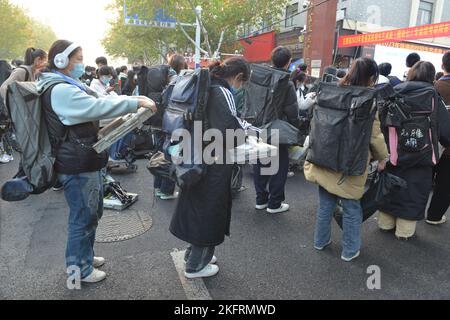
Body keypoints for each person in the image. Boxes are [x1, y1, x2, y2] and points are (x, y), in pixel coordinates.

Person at [38, 40, 156, 284]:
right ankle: (79, 271)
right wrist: (135, 103)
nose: (82, 63)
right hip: (77, 163)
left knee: (90, 213)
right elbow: (96, 107)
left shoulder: (64, 84)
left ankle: (85, 258)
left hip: (83, 159)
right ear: (61, 61)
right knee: (82, 218)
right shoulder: (60, 89)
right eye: (78, 59)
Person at [170, 57, 251, 279]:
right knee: (210, 209)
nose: (240, 87)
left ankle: (194, 254)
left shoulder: (205, 86)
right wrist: (245, 134)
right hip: (213, 160)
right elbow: (229, 130)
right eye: (241, 83)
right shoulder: (222, 92)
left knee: (197, 206)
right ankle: (196, 265)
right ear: (238, 77)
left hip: (195, 154)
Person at [304, 58, 388, 262]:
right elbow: (374, 137)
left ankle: (320, 241)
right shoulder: (367, 100)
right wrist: (383, 157)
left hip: (324, 156)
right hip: (350, 162)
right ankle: (349, 250)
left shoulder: (330, 91)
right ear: (371, 77)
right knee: (351, 208)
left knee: (325, 204)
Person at [378, 61, 450, 239]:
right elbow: (446, 131)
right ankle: (404, 230)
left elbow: (382, 122)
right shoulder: (432, 95)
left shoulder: (395, 90)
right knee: (414, 189)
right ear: (431, 76)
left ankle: (385, 222)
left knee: (391, 185)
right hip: (422, 156)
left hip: (394, 151)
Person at [253, 46, 299, 214]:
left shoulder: (259, 77)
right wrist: (296, 129)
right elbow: (292, 112)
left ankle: (260, 200)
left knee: (260, 163)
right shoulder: (286, 83)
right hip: (277, 130)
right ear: (288, 62)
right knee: (279, 166)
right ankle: (274, 203)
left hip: (257, 127)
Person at [1, 48, 48, 165]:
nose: (46, 63)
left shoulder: (33, 72)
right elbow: (3, 87)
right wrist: (11, 107)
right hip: (17, 113)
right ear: (38, 59)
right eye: (45, 60)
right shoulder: (22, 71)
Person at [427, 52, 450, 225]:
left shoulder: (433, 86)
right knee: (445, 183)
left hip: (429, 142)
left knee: (424, 177)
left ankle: (412, 212)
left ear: (442, 66)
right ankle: (434, 216)